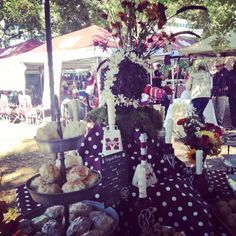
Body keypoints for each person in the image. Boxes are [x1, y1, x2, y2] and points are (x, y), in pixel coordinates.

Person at [211, 59, 229, 126]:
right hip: (215, 93)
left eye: (218, 66)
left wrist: (226, 88)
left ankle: (219, 123)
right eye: (216, 66)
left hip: (222, 93)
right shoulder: (216, 73)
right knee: (215, 109)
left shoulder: (227, 73)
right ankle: (216, 123)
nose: (217, 67)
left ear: (222, 65)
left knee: (221, 109)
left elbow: (229, 84)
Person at [228, 61, 236, 128]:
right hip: (232, 94)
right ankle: (234, 124)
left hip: (232, 93)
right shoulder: (231, 72)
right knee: (232, 110)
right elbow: (228, 82)